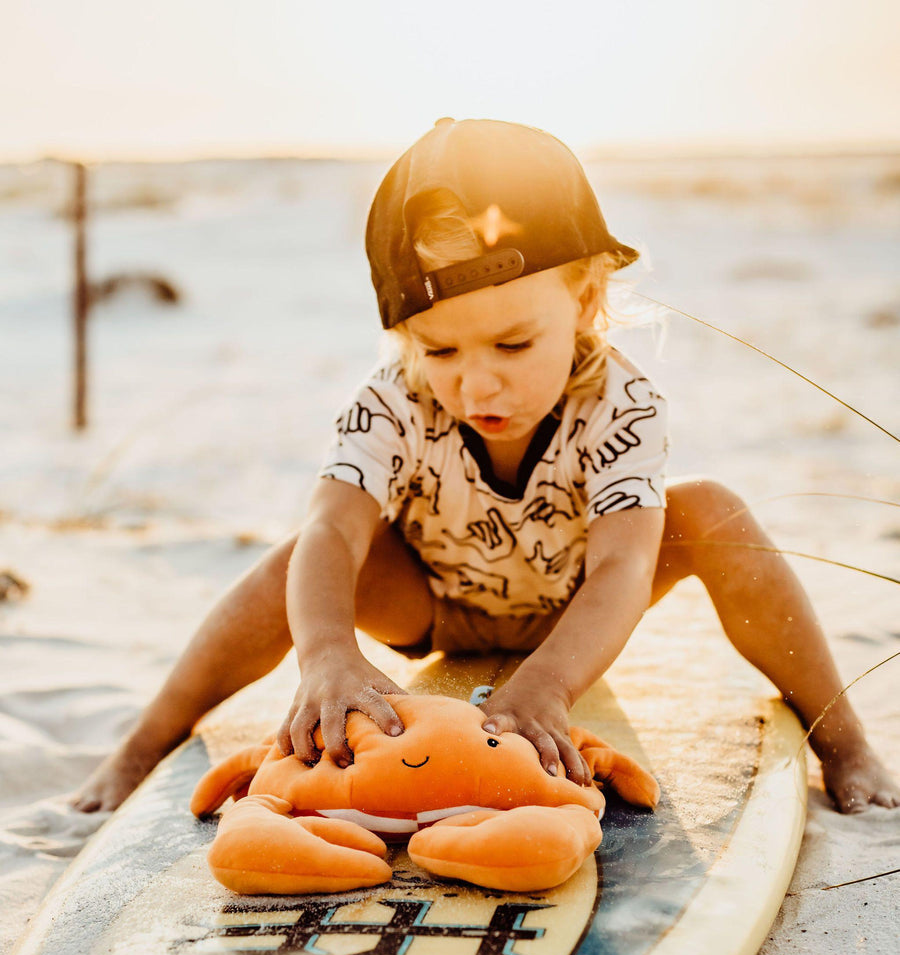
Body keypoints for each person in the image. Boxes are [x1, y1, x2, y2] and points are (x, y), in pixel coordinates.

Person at [73, 118, 898, 816]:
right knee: (299, 559)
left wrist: (548, 684)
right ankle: (145, 741)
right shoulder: (392, 400)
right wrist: (325, 649)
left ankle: (846, 741)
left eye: (511, 344)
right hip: (435, 602)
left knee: (712, 510)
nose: (476, 380)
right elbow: (331, 526)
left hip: (579, 599)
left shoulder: (623, 403)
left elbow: (622, 564)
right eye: (439, 348)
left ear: (583, 302)